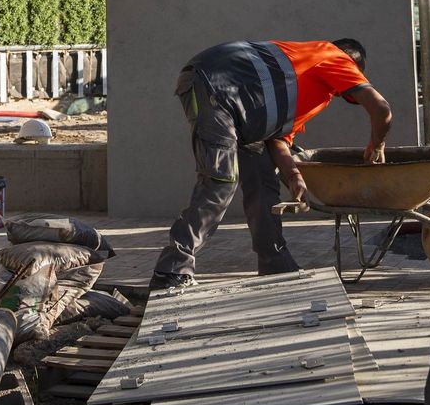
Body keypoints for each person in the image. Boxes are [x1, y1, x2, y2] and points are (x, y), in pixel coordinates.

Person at [149, 38, 393, 291]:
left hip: (240, 106)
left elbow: (278, 141)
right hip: (214, 85)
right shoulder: (333, 55)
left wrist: (294, 177)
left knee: (262, 177)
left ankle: (274, 263)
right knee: (221, 180)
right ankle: (172, 270)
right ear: (353, 65)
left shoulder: (309, 79)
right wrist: (377, 146)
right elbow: (381, 109)